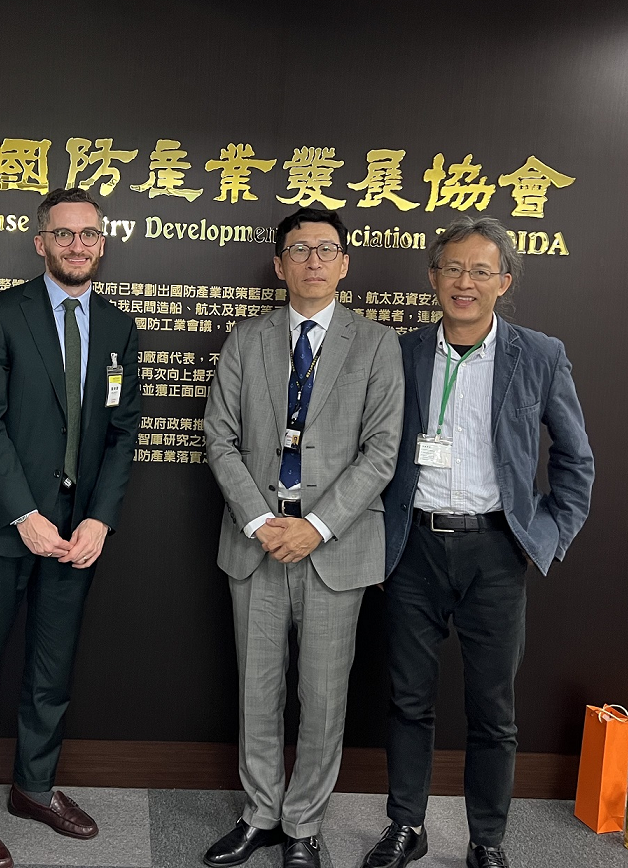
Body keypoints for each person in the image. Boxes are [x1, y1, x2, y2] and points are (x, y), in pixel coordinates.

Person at [359, 217, 594, 868]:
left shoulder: (538, 354)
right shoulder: (401, 352)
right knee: (408, 699)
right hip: (412, 547)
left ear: (503, 282)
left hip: (495, 549)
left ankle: (487, 838)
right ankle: (406, 825)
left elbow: (574, 458)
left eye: (480, 271)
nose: (465, 282)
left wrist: (548, 535)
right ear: (433, 276)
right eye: (453, 268)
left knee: (493, 709)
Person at [0, 187, 140, 868]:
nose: (77, 245)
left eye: (89, 234)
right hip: (2, 526)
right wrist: (24, 513)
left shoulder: (116, 326)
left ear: (102, 243)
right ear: (40, 242)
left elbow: (122, 431)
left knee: (51, 669)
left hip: (76, 535)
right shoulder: (0, 314)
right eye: (64, 234)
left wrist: (100, 518)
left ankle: (34, 786)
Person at [203, 207, 404, 868]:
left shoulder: (376, 344)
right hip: (256, 543)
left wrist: (315, 527)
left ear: (344, 263)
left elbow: (381, 452)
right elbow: (219, 439)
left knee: (322, 699)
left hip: (333, 548)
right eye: (299, 249)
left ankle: (303, 825)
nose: (312, 260)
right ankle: (259, 813)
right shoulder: (247, 340)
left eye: (325, 249)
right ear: (278, 264)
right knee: (257, 692)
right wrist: (260, 521)